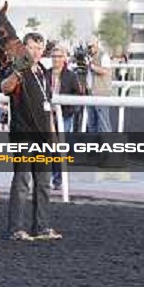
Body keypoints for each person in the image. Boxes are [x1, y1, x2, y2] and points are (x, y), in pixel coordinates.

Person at [1, 32, 62, 242]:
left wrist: (53, 137)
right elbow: (4, 88)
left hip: (43, 136)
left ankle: (42, 227)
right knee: (22, 180)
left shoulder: (44, 72)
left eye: (39, 48)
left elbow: (48, 107)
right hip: (23, 134)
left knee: (44, 182)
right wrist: (17, 72)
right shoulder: (19, 68)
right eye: (32, 47)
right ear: (24, 48)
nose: (35, 52)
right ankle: (16, 228)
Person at [48, 45, 81, 191]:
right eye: (54, 56)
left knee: (60, 148)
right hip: (46, 116)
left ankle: (58, 179)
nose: (56, 59)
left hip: (65, 116)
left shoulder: (71, 76)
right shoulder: (45, 74)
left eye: (59, 56)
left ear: (64, 58)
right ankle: (47, 178)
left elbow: (78, 96)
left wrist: (71, 109)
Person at [86, 36, 113, 132]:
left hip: (101, 93)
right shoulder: (89, 57)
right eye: (88, 47)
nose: (90, 49)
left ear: (97, 44)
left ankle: (108, 145)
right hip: (90, 93)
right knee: (91, 123)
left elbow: (106, 71)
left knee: (104, 123)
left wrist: (92, 66)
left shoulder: (103, 56)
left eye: (92, 46)